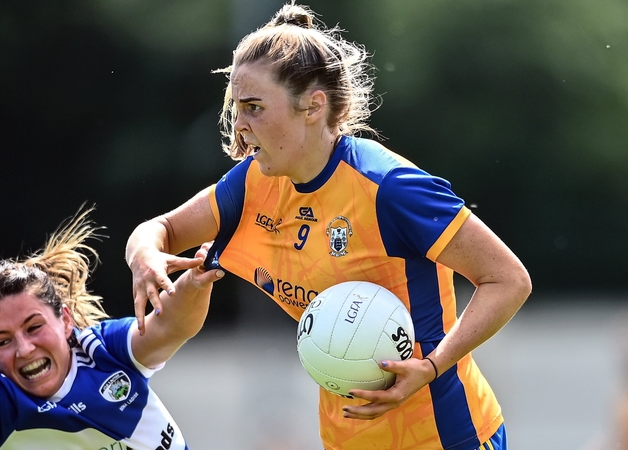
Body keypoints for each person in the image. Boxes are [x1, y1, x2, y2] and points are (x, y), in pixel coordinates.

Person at [125, 2, 532, 449]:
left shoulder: (389, 189)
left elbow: (508, 279)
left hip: (448, 436)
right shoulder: (253, 184)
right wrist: (144, 257)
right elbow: (158, 229)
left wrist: (432, 366)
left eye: (255, 108)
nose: (239, 127)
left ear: (313, 106)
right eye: (236, 108)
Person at [0, 207, 223, 450]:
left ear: (66, 320)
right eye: (2, 342)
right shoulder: (0, 402)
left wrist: (195, 283)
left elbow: (170, 327)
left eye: (34, 327)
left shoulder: (101, 349)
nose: (25, 349)